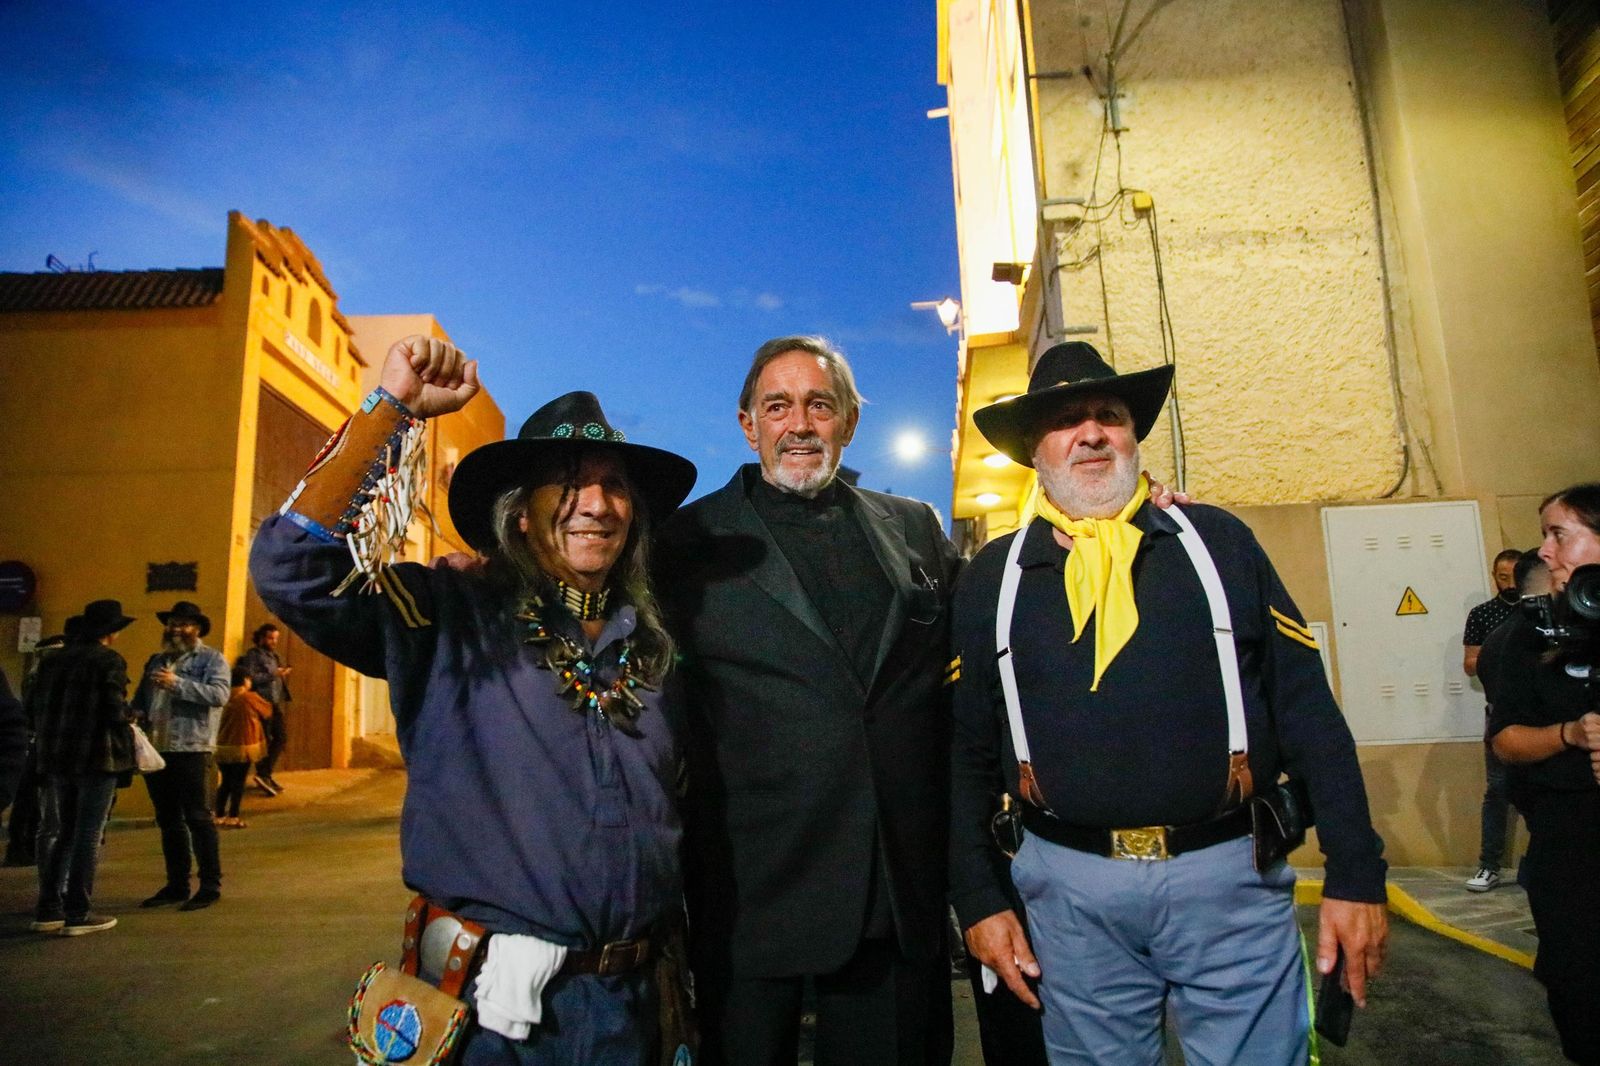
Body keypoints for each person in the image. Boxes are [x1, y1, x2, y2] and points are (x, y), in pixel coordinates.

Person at [250, 335, 697, 1064]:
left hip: (637, 1008)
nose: (596, 505)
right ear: (519, 513)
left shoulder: (656, 650)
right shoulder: (447, 613)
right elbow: (290, 569)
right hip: (490, 1019)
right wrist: (391, 409)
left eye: (614, 485)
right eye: (568, 483)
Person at [949, 342, 1389, 1064]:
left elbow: (1309, 713)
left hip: (1230, 882)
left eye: (1109, 416)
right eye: (1065, 421)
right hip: (1068, 895)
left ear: (1133, 436)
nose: (1091, 434)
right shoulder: (993, 578)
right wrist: (978, 899)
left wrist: (1356, 873)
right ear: (1035, 450)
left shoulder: (1216, 542)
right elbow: (965, 756)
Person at [656, 335, 962, 1066]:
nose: (799, 424)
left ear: (849, 421)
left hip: (891, 896)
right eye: (778, 406)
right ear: (748, 425)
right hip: (751, 897)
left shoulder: (915, 528)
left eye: (819, 405)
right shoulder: (683, 542)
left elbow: (979, 639)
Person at [1489, 483, 1600, 1066]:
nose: (1545, 552)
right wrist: (1570, 734)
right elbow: (1506, 740)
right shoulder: (1526, 635)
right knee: (1581, 985)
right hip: (1570, 841)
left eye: (1559, 535)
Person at [26, 598, 137, 935]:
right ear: (111, 632)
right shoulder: (108, 660)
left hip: (58, 756)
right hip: (97, 756)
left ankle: (48, 909)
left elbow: (34, 708)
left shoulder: (52, 661)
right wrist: (132, 718)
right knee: (88, 835)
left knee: (64, 832)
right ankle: (78, 912)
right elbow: (114, 710)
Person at [133, 600, 230, 911]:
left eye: (183, 624)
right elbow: (141, 698)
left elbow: (219, 695)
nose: (176, 629)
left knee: (198, 819)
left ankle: (210, 885)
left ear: (197, 629)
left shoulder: (212, 659)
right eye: (172, 623)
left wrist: (177, 684)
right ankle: (176, 885)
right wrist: (137, 713)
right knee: (168, 820)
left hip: (191, 748)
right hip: (157, 749)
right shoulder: (156, 660)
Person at [1462, 548, 1523, 892]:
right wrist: (1501, 649)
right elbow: (1470, 664)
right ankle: (1489, 866)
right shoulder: (1483, 615)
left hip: (1538, 713)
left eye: (1515, 576)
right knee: (1498, 790)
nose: (1509, 584)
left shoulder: (1539, 610)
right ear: (1494, 577)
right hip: (1498, 710)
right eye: (1503, 577)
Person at [214, 667, 272, 828]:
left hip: (222, 746)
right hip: (243, 747)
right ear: (245, 680)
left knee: (226, 782)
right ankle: (233, 816)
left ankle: (219, 814)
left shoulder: (223, 696)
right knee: (238, 783)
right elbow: (267, 711)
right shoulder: (249, 697)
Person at [238, 622, 292, 796]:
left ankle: (265, 774)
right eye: (270, 638)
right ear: (261, 638)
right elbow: (250, 678)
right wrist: (273, 674)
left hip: (274, 703)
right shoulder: (253, 655)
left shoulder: (274, 656)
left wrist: (281, 674)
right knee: (265, 740)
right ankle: (263, 775)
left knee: (281, 737)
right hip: (261, 702)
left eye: (276, 638)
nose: (274, 642)